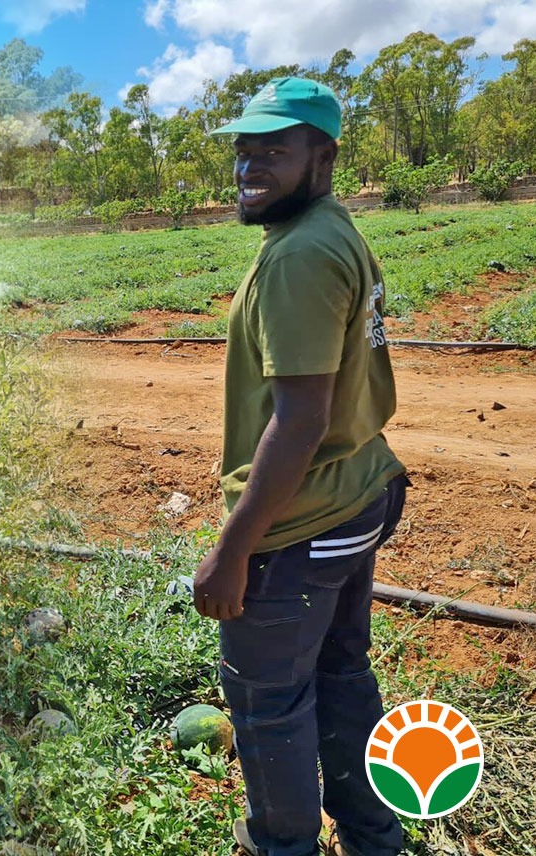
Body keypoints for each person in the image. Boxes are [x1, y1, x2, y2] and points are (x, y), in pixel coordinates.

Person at [195, 77, 408, 856]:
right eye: (245, 150)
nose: (251, 166)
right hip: (356, 497)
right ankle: (372, 833)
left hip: (302, 520)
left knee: (267, 701)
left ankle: (283, 845)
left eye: (274, 151)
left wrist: (234, 548)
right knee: (342, 675)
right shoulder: (329, 230)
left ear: (323, 157)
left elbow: (301, 420)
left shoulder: (302, 255)